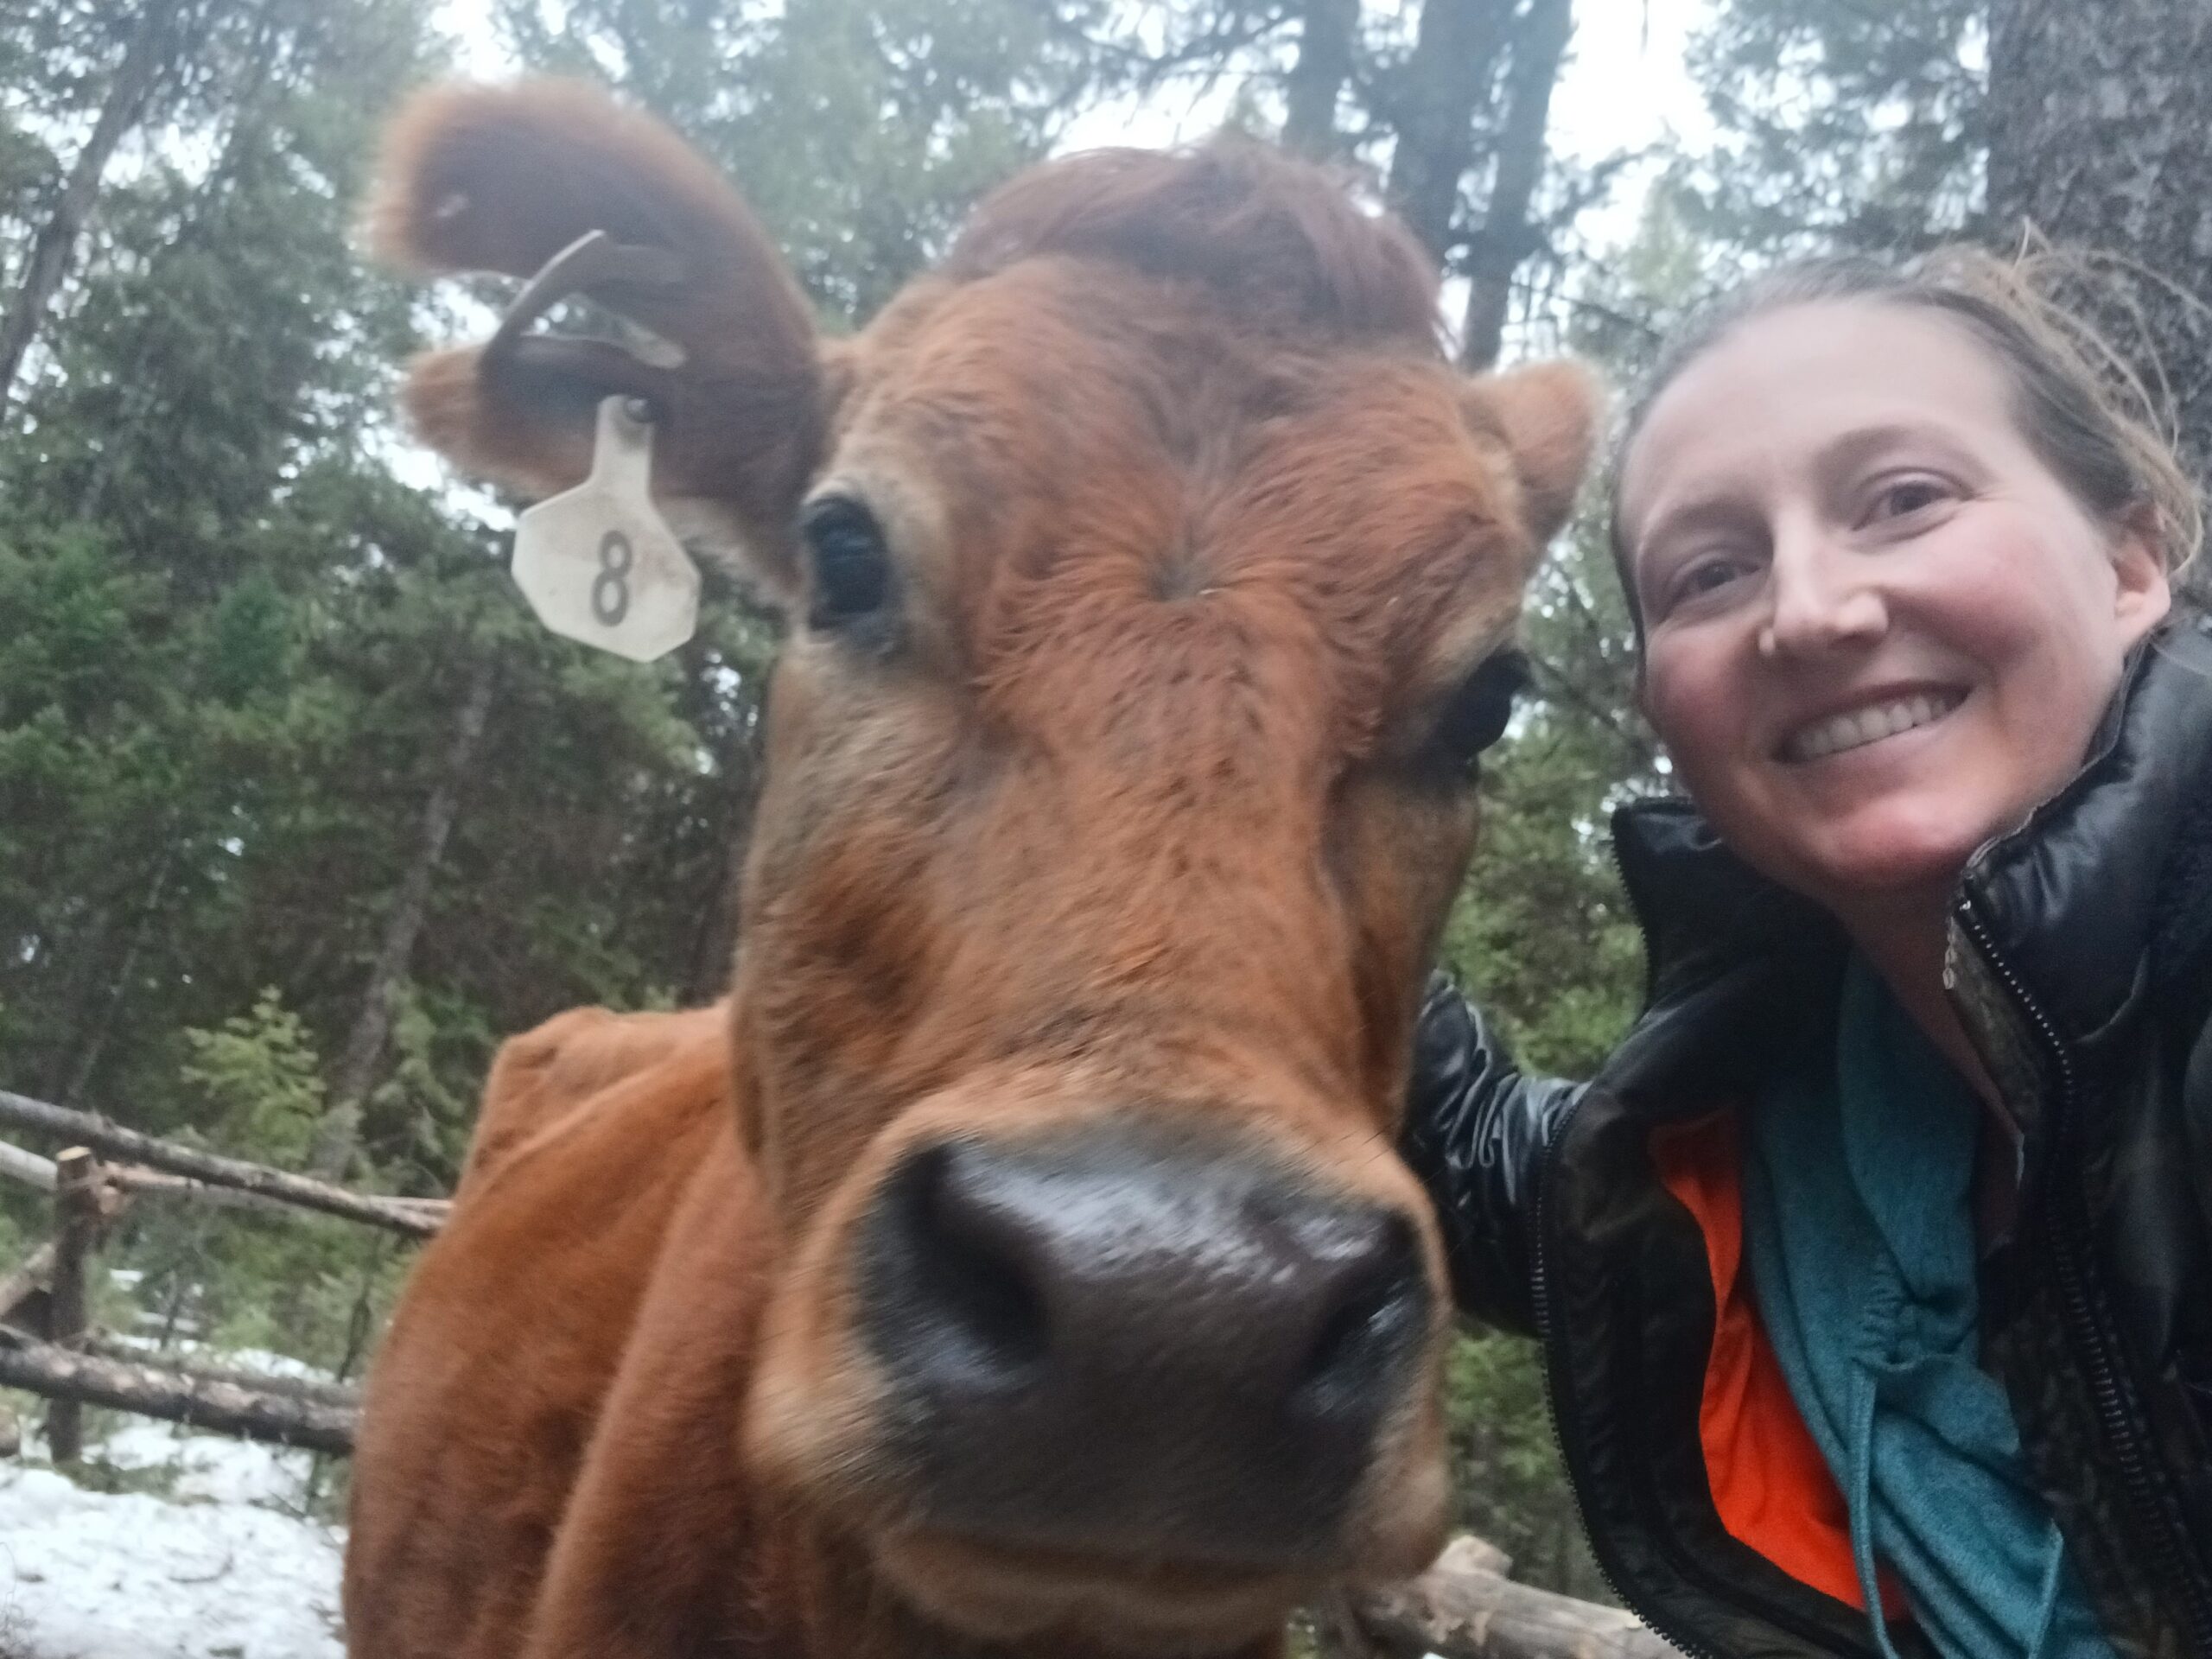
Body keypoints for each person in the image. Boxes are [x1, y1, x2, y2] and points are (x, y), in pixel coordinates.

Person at [1401, 249, 2212, 1659]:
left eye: (1905, 500)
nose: (1811, 612)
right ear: (1664, 705)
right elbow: (1465, 1152)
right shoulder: (1763, 1154)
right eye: (1710, 572)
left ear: (2131, 564)